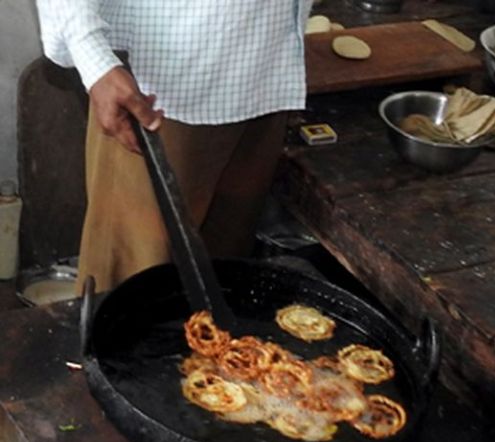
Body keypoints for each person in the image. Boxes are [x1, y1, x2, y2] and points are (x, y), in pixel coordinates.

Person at [36, 0, 313, 293]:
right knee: (131, 285)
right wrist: (94, 59)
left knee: (221, 286)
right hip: (164, 89)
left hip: (267, 71)